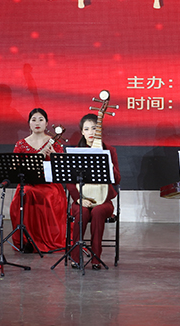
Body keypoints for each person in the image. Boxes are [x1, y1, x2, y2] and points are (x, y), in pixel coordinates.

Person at [9, 108, 67, 253]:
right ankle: (26, 239)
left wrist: (54, 156)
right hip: (27, 183)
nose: (37, 123)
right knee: (25, 194)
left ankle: (46, 238)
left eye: (41, 120)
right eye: (33, 120)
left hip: (49, 185)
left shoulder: (53, 143)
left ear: (47, 123)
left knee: (46, 196)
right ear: (29, 123)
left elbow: (62, 169)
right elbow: (14, 168)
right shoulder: (21, 144)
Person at [67, 113, 121, 269]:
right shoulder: (76, 152)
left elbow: (117, 179)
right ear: (82, 132)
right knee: (82, 212)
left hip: (103, 201)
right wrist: (79, 199)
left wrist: (109, 164)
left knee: (97, 212)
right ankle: (76, 257)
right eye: (87, 129)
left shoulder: (109, 150)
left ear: (100, 130)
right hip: (81, 199)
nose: (91, 132)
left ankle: (96, 258)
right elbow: (70, 182)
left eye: (94, 128)